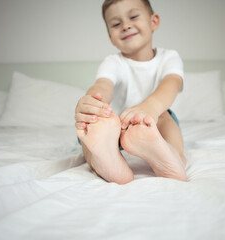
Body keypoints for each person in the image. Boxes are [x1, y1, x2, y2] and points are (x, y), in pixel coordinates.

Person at [75, 0, 187, 184]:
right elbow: (103, 86)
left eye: (133, 17)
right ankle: (105, 161)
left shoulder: (169, 58)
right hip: (115, 126)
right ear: (111, 37)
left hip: (153, 126)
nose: (126, 26)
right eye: (116, 24)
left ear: (154, 21)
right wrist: (92, 102)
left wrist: (150, 108)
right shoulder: (112, 62)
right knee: (91, 127)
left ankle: (173, 156)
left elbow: (171, 84)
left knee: (165, 116)